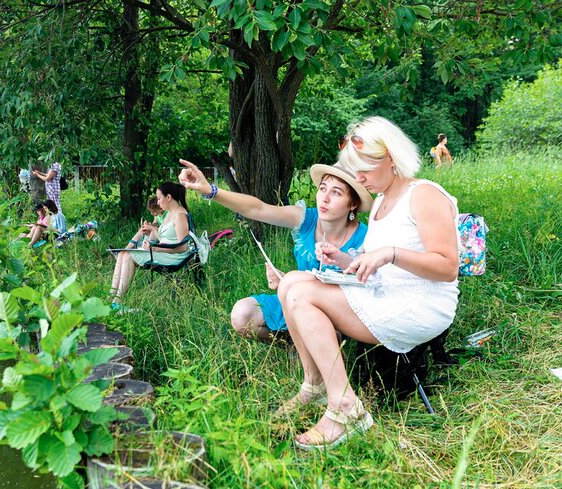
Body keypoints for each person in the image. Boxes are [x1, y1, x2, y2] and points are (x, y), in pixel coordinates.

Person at [274, 116, 459, 450]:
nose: (358, 178)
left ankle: (344, 409)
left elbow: (447, 267)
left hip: (420, 305)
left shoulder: (425, 195)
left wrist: (389, 253)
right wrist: (345, 260)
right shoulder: (380, 204)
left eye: (364, 170)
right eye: (354, 170)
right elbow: (382, 266)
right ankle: (314, 385)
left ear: (391, 159)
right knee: (291, 283)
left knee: (301, 293)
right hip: (386, 293)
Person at [177, 159, 372, 341]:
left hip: (338, 313)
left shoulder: (366, 239)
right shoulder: (306, 219)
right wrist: (210, 190)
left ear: (353, 203)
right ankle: (292, 342)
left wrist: (291, 281)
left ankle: (323, 350)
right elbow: (258, 209)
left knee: (325, 326)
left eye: (336, 193)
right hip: (297, 301)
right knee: (242, 314)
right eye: (322, 189)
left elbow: (368, 289)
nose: (325, 198)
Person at [109, 183, 192, 308]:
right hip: (162, 252)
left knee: (128, 256)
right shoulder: (170, 213)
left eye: (159, 198)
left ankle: (117, 302)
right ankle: (111, 298)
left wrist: (155, 248)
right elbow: (165, 238)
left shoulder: (180, 215)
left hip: (174, 256)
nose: (158, 202)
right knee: (122, 253)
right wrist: (153, 231)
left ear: (168, 197)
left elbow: (183, 247)